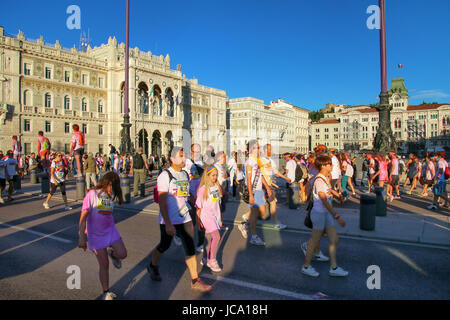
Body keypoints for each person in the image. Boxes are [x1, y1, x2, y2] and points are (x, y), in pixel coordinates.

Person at [146, 146, 212, 293]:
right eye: (181, 156)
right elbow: (162, 202)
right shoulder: (165, 176)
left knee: (189, 246)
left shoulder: (184, 174)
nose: (184, 159)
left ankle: (195, 279)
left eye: (184, 156)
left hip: (185, 217)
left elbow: (187, 196)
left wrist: (197, 212)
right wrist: (168, 223)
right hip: (169, 220)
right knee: (164, 245)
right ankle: (153, 265)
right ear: (172, 159)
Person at [78, 172, 127, 300]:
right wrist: (81, 237)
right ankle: (106, 292)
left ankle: (113, 254)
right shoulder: (91, 194)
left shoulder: (109, 196)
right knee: (104, 264)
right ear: (108, 183)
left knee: (122, 254)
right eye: (113, 186)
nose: (113, 189)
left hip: (110, 230)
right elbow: (83, 216)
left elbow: (106, 214)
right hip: (95, 234)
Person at [301, 155, 348, 278]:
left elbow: (328, 190)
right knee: (314, 241)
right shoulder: (319, 180)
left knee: (334, 240)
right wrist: (337, 216)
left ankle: (334, 267)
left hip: (326, 214)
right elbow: (324, 200)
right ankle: (306, 266)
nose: (332, 166)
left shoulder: (325, 178)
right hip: (319, 214)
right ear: (323, 166)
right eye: (329, 164)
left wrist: (337, 194)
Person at [242, 144, 291, 229]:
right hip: (264, 185)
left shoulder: (269, 160)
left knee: (262, 207)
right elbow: (255, 176)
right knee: (270, 203)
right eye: (269, 149)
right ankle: (275, 223)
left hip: (268, 184)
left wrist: (285, 178)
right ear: (265, 150)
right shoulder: (259, 160)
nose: (271, 151)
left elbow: (275, 171)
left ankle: (247, 219)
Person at [238, 140, 273, 246]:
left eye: (259, 147)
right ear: (251, 149)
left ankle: (245, 225)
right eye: (257, 147)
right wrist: (251, 194)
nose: (259, 149)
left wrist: (267, 188)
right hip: (253, 190)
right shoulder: (249, 162)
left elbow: (261, 175)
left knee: (261, 212)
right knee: (254, 213)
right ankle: (254, 236)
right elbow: (248, 180)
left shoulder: (256, 161)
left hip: (259, 190)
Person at [196, 165, 223, 272]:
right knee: (216, 237)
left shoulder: (216, 187)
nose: (215, 177)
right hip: (206, 216)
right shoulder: (202, 190)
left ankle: (204, 258)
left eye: (216, 175)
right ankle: (212, 260)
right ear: (207, 176)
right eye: (212, 175)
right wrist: (198, 222)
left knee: (208, 239)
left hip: (215, 216)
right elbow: (198, 207)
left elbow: (218, 203)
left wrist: (219, 219)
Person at [184, 143, 205, 252]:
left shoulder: (201, 163)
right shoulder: (186, 164)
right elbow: (183, 181)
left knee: (201, 220)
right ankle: (188, 241)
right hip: (190, 197)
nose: (197, 153)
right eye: (195, 151)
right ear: (191, 151)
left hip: (200, 197)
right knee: (190, 221)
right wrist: (190, 195)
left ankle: (200, 243)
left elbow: (204, 178)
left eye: (199, 151)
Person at [214, 151, 229, 229]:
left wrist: (226, 190)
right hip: (218, 191)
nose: (225, 158)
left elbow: (225, 178)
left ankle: (221, 223)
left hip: (223, 190)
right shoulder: (216, 166)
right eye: (223, 157)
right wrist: (220, 188)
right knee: (218, 208)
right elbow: (214, 179)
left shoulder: (222, 166)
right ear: (218, 158)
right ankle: (216, 224)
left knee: (223, 207)